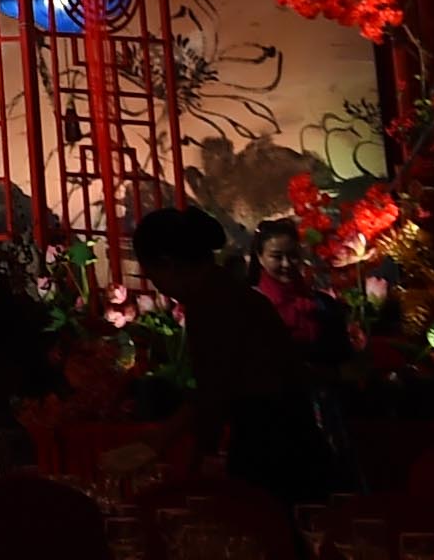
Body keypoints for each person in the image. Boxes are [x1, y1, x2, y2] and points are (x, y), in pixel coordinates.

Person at [132, 204, 338, 503]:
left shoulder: (212, 303)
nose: (159, 286)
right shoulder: (231, 293)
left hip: (273, 449)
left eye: (153, 276)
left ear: (169, 265)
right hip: (291, 437)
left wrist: (183, 452)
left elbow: (215, 390)